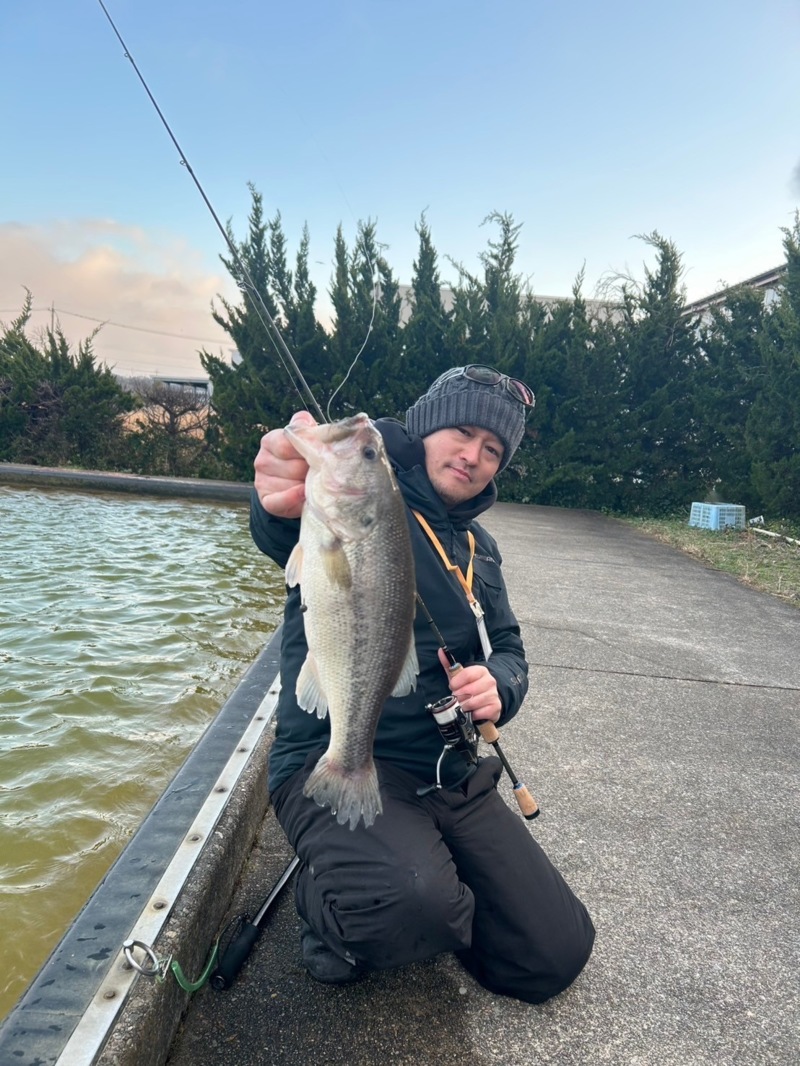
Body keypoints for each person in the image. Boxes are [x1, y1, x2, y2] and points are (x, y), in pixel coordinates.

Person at [250, 365, 595, 1003]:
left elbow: (511, 645)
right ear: (424, 429)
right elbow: (283, 524)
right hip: (335, 757)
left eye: (493, 449)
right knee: (413, 907)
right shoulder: (372, 503)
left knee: (555, 953)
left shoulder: (480, 549)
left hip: (448, 770)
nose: (474, 456)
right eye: (462, 432)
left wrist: (501, 684)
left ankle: (413, 879)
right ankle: (328, 902)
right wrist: (280, 494)